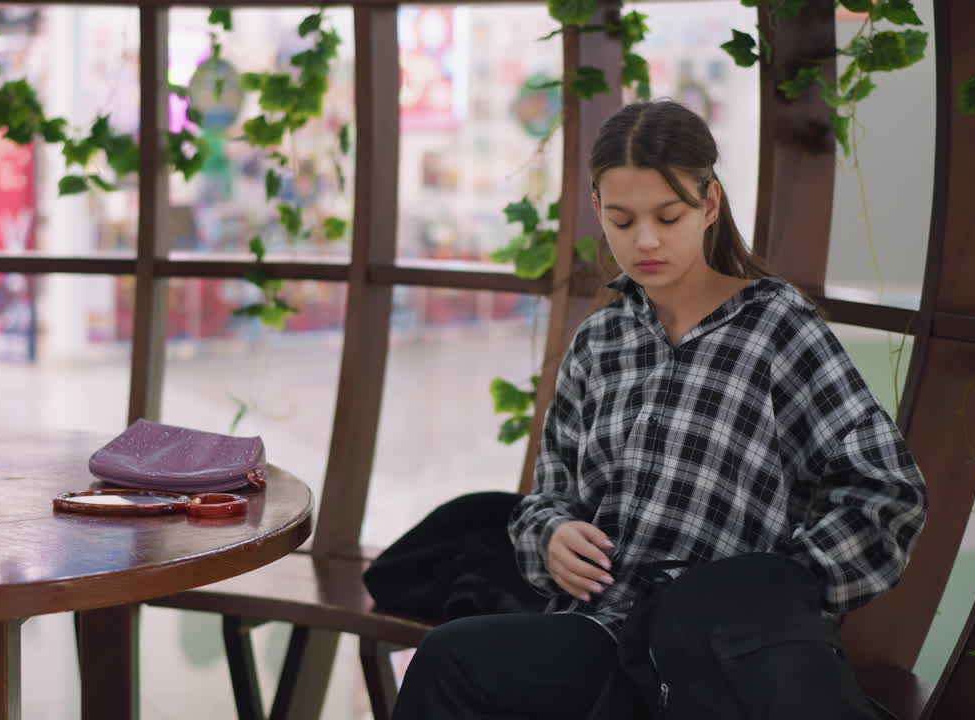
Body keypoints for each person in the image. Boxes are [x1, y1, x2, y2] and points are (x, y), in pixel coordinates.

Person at [390, 100, 928, 719]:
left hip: (716, 650)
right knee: (449, 658)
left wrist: (778, 589)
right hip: (607, 633)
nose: (645, 240)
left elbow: (886, 492)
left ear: (709, 205)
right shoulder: (600, 341)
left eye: (667, 217)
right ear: (597, 212)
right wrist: (552, 537)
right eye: (622, 220)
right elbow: (549, 497)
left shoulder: (777, 328)